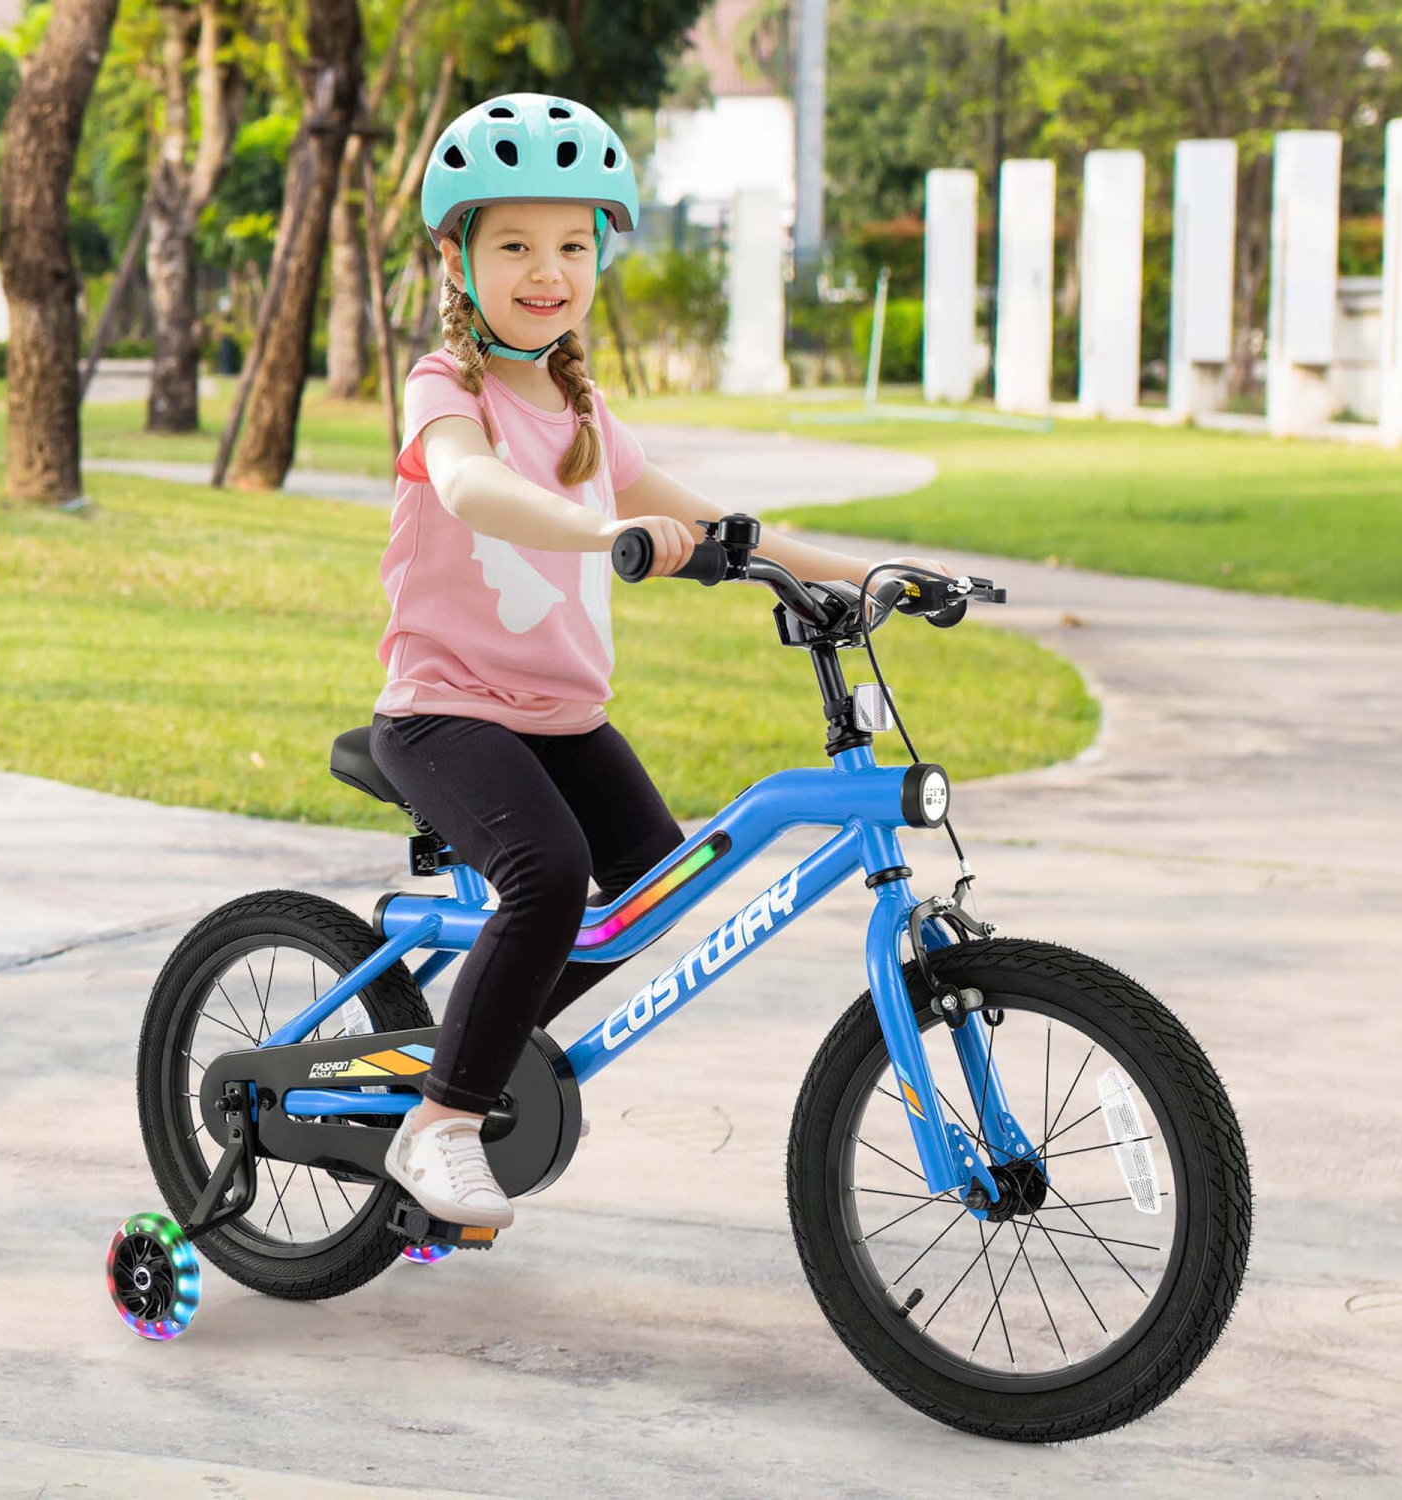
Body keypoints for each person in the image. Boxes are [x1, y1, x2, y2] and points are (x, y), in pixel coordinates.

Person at [374, 92, 949, 1229]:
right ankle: (438, 1120)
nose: (550, 271)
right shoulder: (451, 387)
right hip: (445, 711)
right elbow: (469, 484)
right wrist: (601, 532)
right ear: (457, 252)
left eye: (574, 246)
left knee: (653, 880)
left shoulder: (585, 408)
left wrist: (876, 572)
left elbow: (728, 524)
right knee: (545, 875)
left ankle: (484, 1037)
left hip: (562, 714)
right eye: (516, 245)